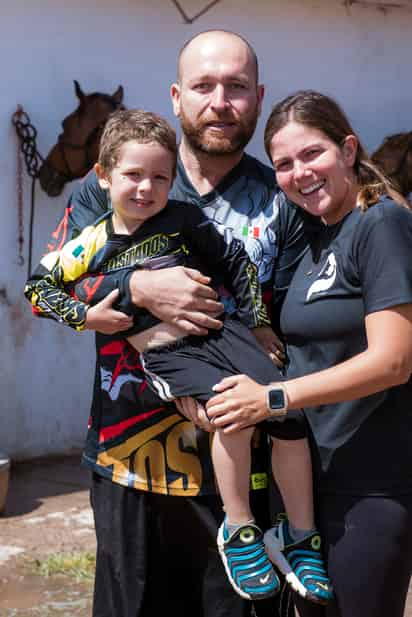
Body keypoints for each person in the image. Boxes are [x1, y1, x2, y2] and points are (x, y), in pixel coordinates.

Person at [26, 31, 310, 617]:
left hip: (243, 466)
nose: (220, 101)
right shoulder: (118, 180)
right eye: (204, 86)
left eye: (236, 87)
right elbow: (52, 288)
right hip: (130, 461)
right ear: (177, 96)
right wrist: (136, 288)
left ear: (257, 98)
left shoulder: (281, 197)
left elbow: (291, 319)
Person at [205, 89, 412, 617]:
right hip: (308, 481)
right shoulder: (318, 237)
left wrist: (273, 398)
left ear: (347, 149)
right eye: (283, 164)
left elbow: (394, 360)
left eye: (312, 154)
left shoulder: (381, 224)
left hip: (370, 486)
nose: (300, 172)